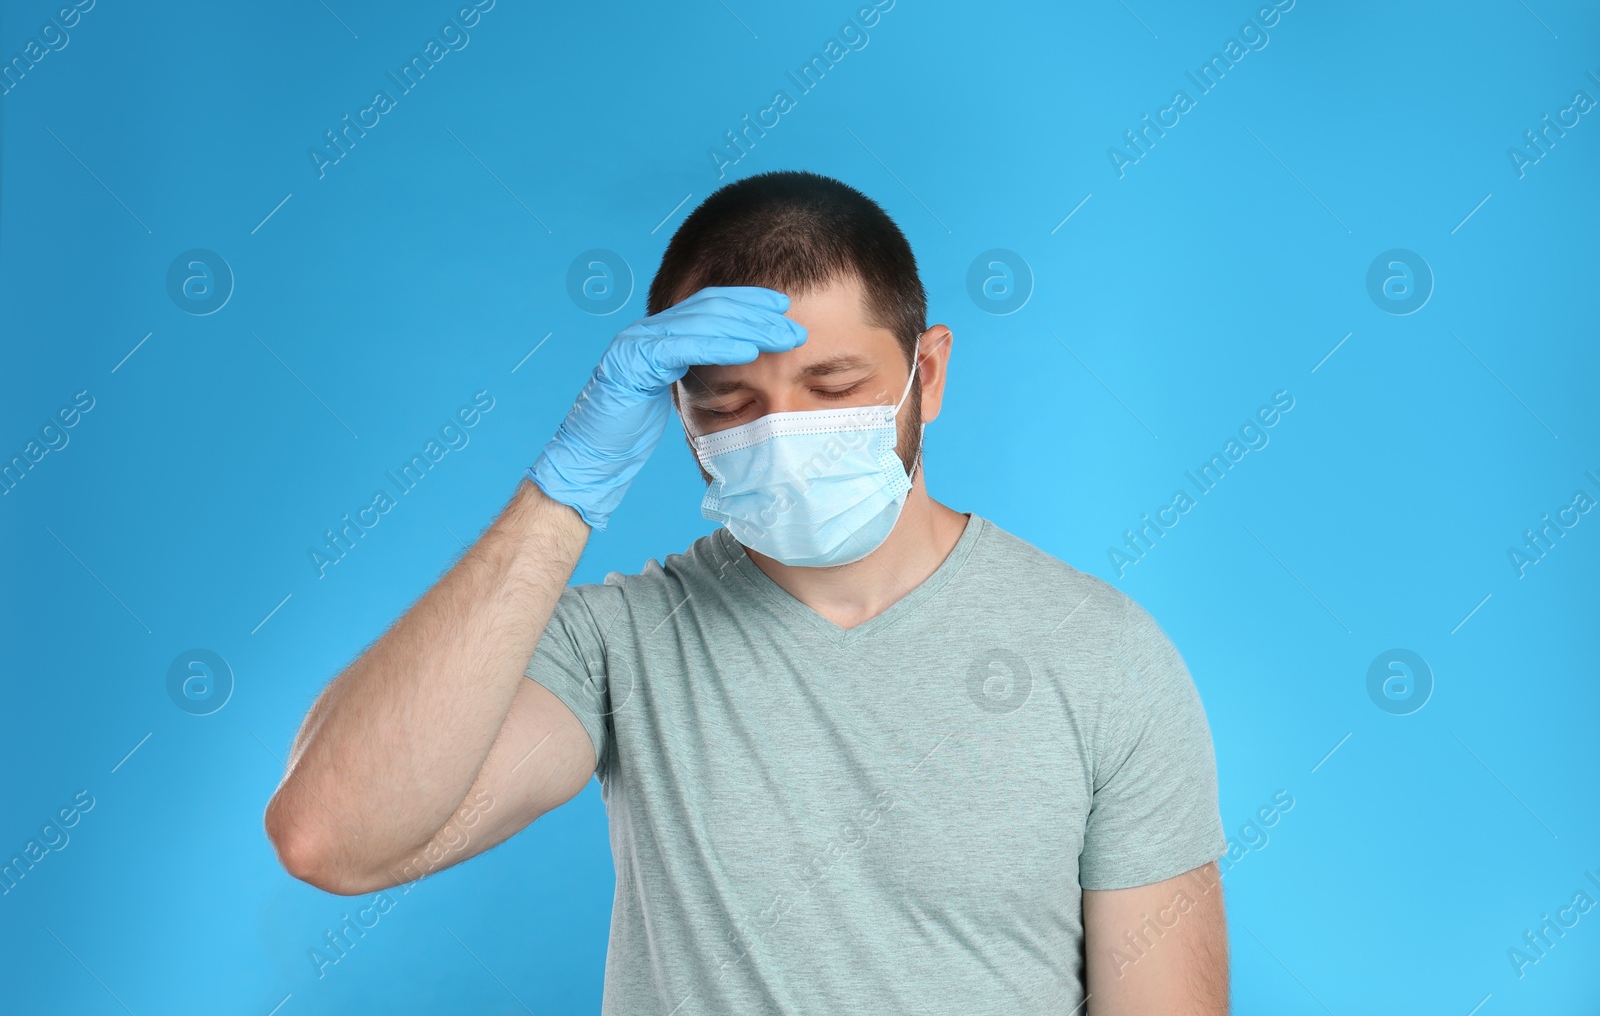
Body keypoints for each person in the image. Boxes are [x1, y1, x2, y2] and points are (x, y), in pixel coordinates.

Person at [264, 170, 1230, 1013]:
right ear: (677, 414)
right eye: (730, 406)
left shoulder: (1099, 653)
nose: (785, 436)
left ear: (926, 373)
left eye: (834, 385)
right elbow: (331, 835)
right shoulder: (620, 647)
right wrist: (566, 489)